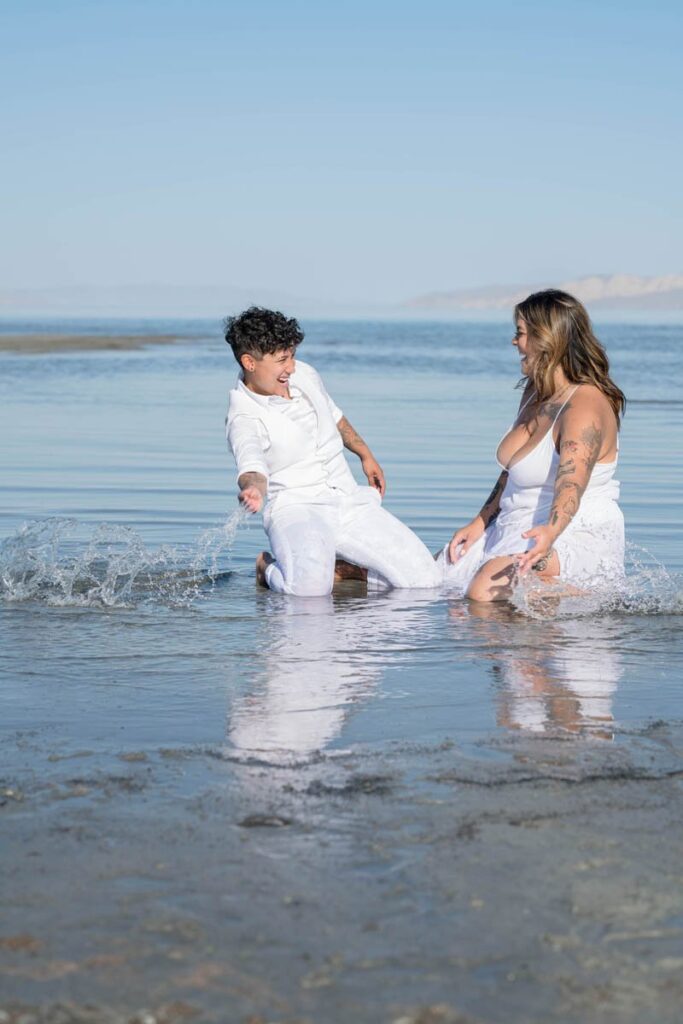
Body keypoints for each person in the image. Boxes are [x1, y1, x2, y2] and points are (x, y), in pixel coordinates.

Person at [224, 307, 441, 596]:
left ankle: (345, 570)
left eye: (292, 355)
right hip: (298, 511)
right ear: (249, 362)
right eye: (282, 360)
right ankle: (268, 568)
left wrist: (365, 454)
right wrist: (253, 490)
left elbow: (335, 416)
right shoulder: (244, 418)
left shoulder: (305, 374)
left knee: (426, 580)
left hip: (348, 501)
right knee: (309, 593)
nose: (290, 367)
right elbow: (252, 465)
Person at [440, 289, 626, 602]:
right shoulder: (535, 391)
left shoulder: (584, 407)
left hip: (572, 535)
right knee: (432, 574)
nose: (515, 342)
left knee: (483, 590)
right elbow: (515, 469)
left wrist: (551, 533)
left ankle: (596, 600)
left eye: (521, 333)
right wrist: (480, 521)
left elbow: (571, 484)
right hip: (516, 525)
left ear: (546, 340)